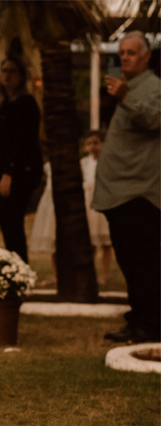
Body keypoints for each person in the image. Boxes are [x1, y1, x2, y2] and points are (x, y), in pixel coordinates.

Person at [95, 31, 160, 343]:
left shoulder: (153, 87)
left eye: (132, 53)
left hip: (140, 193)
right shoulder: (128, 88)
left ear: (146, 57)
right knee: (130, 263)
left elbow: (156, 119)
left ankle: (150, 324)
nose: (124, 58)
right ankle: (139, 320)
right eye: (121, 53)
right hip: (119, 194)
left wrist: (126, 97)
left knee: (144, 262)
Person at [0, 55, 42, 263]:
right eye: (4, 71)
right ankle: (16, 268)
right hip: (4, 168)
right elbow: (6, 139)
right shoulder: (4, 105)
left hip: (20, 172)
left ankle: (20, 269)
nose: (7, 75)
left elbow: (22, 141)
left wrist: (9, 173)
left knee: (13, 223)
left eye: (12, 71)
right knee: (6, 224)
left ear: (21, 76)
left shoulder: (26, 103)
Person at [80, 131, 114, 285]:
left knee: (106, 242)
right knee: (90, 241)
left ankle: (104, 274)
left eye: (96, 143)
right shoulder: (84, 163)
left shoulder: (108, 161)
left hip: (104, 202)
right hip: (89, 203)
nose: (92, 146)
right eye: (89, 143)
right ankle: (90, 273)